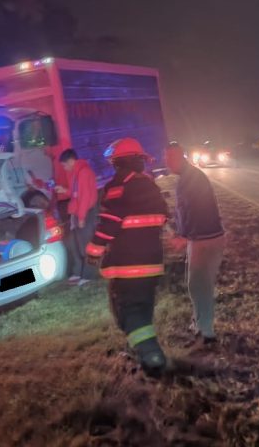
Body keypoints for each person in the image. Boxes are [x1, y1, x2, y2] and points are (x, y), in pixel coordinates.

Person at [86, 138, 169, 377]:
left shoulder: (118, 186)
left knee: (127, 314)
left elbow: (109, 222)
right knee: (143, 311)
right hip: (152, 263)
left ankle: (152, 357)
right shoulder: (150, 185)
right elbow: (163, 216)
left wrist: (93, 250)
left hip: (126, 265)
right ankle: (142, 354)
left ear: (118, 163)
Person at [164, 143, 226, 346]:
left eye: (170, 158)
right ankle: (200, 323)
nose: (167, 163)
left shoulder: (189, 179)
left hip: (204, 239)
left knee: (199, 286)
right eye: (166, 158)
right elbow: (185, 212)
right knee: (199, 285)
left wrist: (183, 236)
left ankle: (206, 332)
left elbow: (192, 211)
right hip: (205, 237)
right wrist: (178, 229)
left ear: (180, 157)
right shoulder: (190, 176)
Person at [57, 148, 99, 284]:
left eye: (64, 165)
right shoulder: (77, 172)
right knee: (77, 245)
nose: (64, 168)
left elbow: (85, 196)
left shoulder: (83, 172)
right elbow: (76, 193)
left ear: (70, 161)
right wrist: (64, 190)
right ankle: (80, 272)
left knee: (86, 245)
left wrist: (81, 217)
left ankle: (89, 275)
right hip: (78, 212)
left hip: (85, 213)